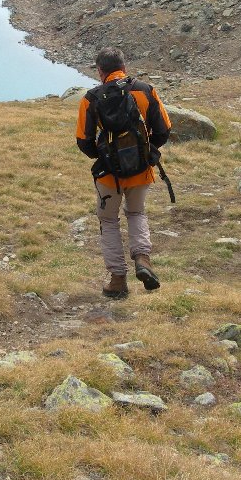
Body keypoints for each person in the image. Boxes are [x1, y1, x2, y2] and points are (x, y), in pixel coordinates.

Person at [76, 47, 172, 298]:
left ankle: (118, 280)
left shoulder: (91, 98)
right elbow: (163, 130)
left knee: (108, 221)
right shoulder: (145, 90)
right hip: (141, 171)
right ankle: (143, 260)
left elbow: (84, 142)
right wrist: (143, 152)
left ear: (100, 71)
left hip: (109, 176)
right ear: (124, 67)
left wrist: (107, 156)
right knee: (136, 212)